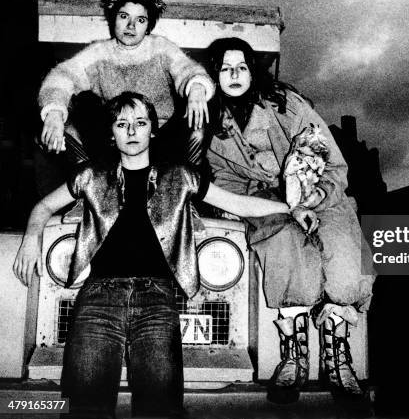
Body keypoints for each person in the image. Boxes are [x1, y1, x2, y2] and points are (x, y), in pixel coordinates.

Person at [13, 91, 316, 419]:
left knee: (160, 410)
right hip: (98, 298)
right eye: (122, 124)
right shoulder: (90, 174)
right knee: (85, 408)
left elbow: (238, 204)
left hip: (156, 300)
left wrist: (292, 208)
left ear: (152, 130)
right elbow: (44, 206)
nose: (131, 131)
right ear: (111, 133)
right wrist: (31, 237)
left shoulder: (180, 174)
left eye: (140, 123)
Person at [205, 37, 375, 403]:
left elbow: (332, 161)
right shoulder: (210, 127)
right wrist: (270, 204)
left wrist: (313, 196)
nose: (234, 74)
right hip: (268, 204)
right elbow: (227, 183)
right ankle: (293, 358)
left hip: (319, 193)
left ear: (253, 70)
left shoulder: (287, 104)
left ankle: (337, 359)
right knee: (284, 254)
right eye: (224, 68)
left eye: (241, 67)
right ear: (213, 75)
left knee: (347, 262)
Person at [38, 0, 214, 170]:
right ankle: (91, 184)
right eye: (124, 16)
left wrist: (197, 88)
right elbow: (61, 76)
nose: (131, 26)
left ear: (148, 26)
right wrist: (54, 112)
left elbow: (187, 69)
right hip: (115, 142)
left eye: (140, 20)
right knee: (84, 102)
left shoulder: (161, 47)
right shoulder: (98, 53)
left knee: (200, 118)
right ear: (114, 18)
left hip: (161, 138)